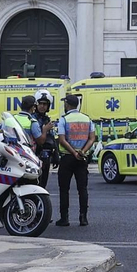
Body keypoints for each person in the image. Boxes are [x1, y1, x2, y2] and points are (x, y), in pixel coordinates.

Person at [54, 92, 95, 228]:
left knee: (64, 189)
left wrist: (73, 152)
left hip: (67, 157)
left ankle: (64, 218)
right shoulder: (87, 119)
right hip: (82, 158)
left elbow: (62, 139)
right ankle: (83, 217)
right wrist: (82, 151)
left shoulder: (64, 119)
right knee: (82, 189)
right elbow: (92, 138)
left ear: (67, 104)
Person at [31, 90, 56, 188]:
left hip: (46, 157)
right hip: (34, 156)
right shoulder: (32, 119)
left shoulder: (47, 119)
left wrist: (55, 154)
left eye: (45, 104)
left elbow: (51, 137)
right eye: (40, 103)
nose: (42, 106)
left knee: (43, 185)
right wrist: (44, 130)